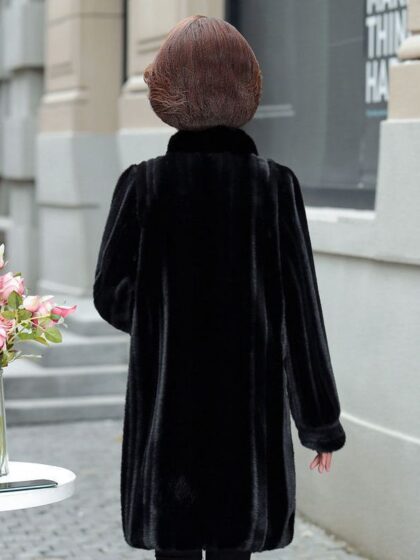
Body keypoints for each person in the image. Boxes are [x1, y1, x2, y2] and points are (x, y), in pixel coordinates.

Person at [92, 14, 346, 560]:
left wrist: (165, 317)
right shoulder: (274, 187)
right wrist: (319, 424)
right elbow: (303, 317)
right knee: (236, 544)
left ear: (165, 91)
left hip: (169, 431)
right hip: (245, 433)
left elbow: (110, 293)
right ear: (247, 88)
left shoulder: (143, 184)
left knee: (174, 544)